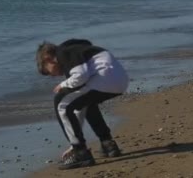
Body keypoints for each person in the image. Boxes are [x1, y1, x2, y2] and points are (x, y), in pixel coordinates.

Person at [36, 39, 129, 170]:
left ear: (47, 59)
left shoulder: (63, 53)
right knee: (85, 103)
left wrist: (63, 85)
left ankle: (81, 153)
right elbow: (79, 109)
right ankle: (108, 144)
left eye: (48, 72)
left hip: (104, 79)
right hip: (119, 81)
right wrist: (73, 142)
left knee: (60, 103)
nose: (53, 76)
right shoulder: (76, 50)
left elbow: (80, 75)